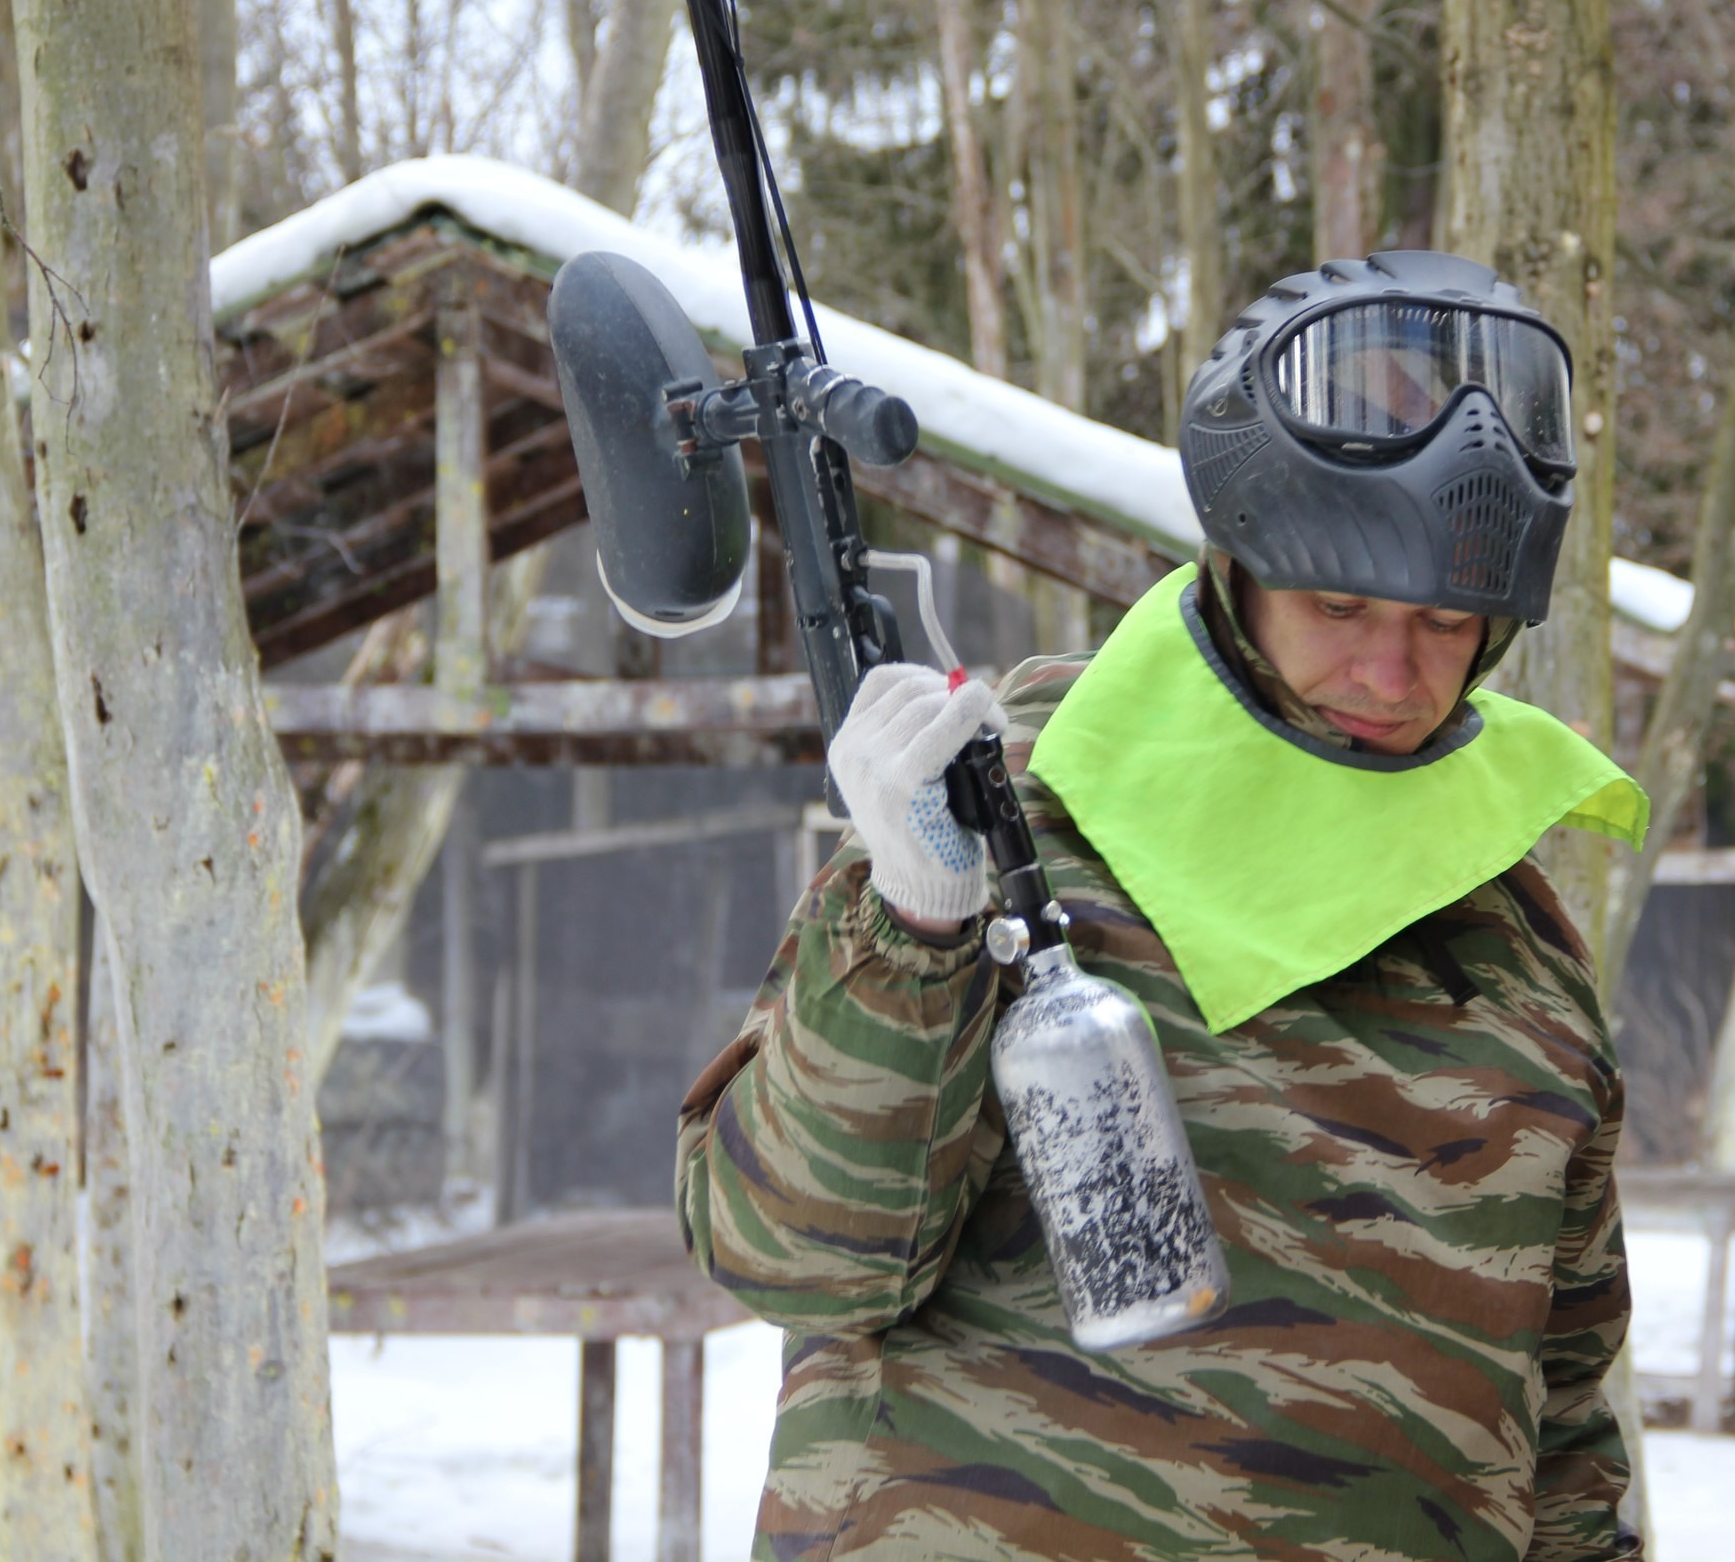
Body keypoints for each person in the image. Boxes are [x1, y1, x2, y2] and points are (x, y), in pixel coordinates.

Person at [677, 252, 1650, 1560]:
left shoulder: (1510, 942)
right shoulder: (1008, 809)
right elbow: (795, 1255)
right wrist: (912, 937)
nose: (1388, 666)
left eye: (1444, 617)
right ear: (1240, 565)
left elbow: (1567, 1426)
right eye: (1338, 601)